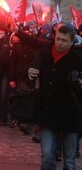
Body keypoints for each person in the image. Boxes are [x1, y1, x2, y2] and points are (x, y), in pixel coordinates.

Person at [27, 24, 82, 170]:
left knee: (69, 162)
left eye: (64, 40)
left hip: (70, 116)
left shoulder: (77, 59)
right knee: (48, 156)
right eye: (58, 39)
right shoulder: (45, 54)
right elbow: (33, 72)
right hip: (48, 114)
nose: (60, 43)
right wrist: (30, 73)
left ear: (72, 42)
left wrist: (78, 83)